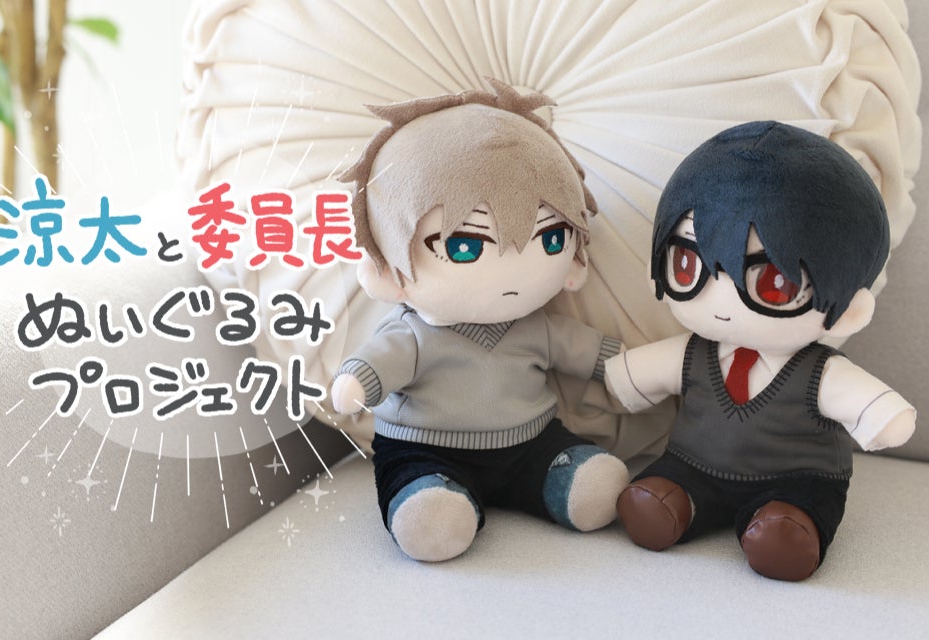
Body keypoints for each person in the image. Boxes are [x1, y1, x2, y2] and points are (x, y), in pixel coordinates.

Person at [331, 79, 629, 562]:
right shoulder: (414, 335)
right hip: (425, 449)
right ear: (388, 271)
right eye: (464, 246)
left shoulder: (537, 327)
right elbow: (377, 363)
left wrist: (629, 368)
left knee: (592, 486)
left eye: (551, 240)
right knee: (431, 519)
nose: (512, 270)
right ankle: (433, 503)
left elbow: (586, 351)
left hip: (531, 443)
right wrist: (356, 381)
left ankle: (564, 483)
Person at [605, 121, 916, 581]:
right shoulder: (692, 353)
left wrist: (885, 418)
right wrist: (615, 376)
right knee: (657, 496)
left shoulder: (818, 374)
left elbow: (882, 416)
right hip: (692, 465)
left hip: (798, 481)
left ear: (849, 308)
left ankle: (786, 532)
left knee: (790, 523)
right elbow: (629, 378)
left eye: (773, 282)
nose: (722, 300)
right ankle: (672, 506)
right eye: (688, 265)